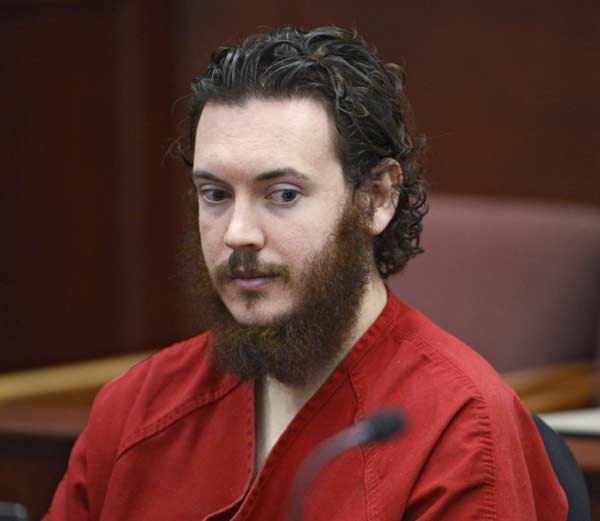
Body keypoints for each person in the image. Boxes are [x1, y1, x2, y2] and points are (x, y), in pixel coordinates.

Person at [44, 26, 567, 520]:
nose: (238, 233)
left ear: (377, 197)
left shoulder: (461, 428)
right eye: (216, 194)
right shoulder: (136, 408)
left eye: (283, 194)